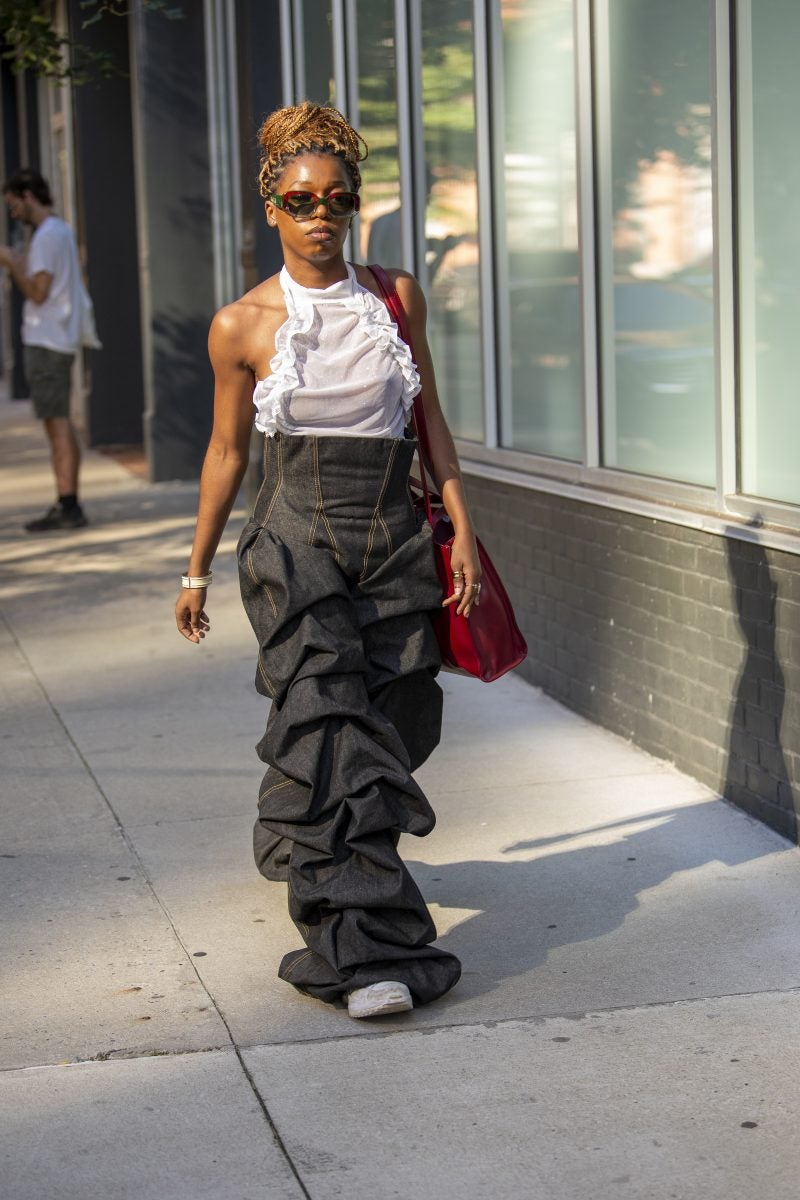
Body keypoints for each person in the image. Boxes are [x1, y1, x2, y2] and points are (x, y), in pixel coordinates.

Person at [175, 102, 482, 1020]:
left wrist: (464, 526)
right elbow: (227, 453)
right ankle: (367, 955)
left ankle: (302, 825)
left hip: (393, 536)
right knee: (335, 728)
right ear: (271, 204)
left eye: (338, 199)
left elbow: (428, 422)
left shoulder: (395, 298)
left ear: (354, 208)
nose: (320, 215)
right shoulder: (242, 325)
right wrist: (193, 571)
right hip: (294, 540)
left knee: (392, 725)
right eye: (301, 198)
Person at [0, 169, 96, 531]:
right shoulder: (60, 230)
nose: (13, 213)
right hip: (59, 336)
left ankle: (68, 503)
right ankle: (67, 500)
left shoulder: (45, 237)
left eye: (13, 205)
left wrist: (11, 264)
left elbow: (38, 292)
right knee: (60, 423)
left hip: (48, 339)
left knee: (56, 424)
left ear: (28, 196)